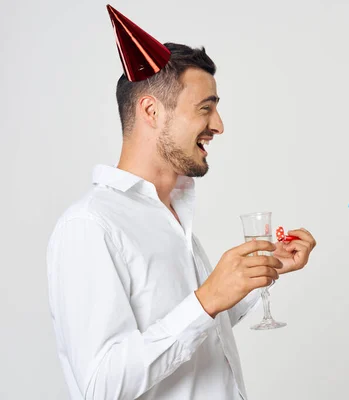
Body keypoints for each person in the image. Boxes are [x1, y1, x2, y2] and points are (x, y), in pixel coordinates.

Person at [47, 6, 316, 400]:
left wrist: (261, 272)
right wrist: (205, 300)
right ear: (151, 111)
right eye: (205, 108)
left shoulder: (170, 213)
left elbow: (195, 331)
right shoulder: (90, 225)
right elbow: (100, 384)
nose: (219, 125)